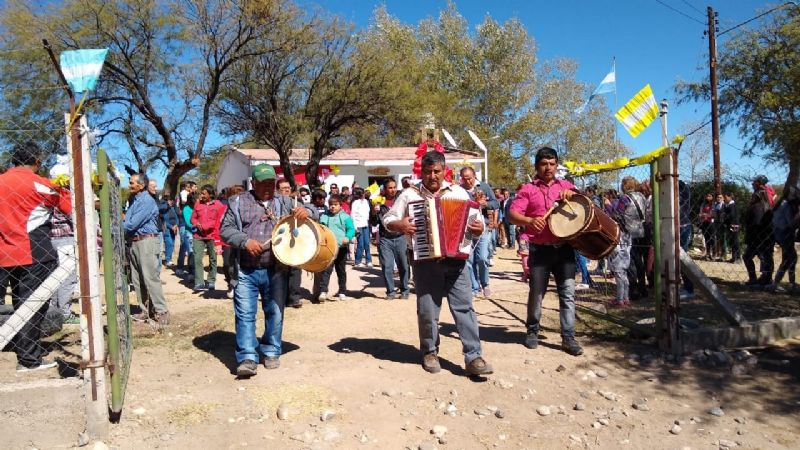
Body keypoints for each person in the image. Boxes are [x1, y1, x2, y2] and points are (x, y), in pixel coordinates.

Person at [383, 151, 493, 377]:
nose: (432, 176)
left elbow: (478, 222)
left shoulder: (459, 192)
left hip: (457, 261)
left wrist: (478, 228)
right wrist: (401, 225)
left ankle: (474, 356)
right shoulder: (408, 195)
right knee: (427, 311)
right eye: (427, 172)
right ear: (421, 172)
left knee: (464, 308)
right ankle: (430, 352)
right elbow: (387, 220)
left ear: (445, 171)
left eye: (437, 171)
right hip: (425, 261)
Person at [219, 164, 315, 377]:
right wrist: (245, 241)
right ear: (253, 183)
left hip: (276, 269)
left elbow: (315, 212)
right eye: (263, 184)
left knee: (275, 312)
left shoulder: (284, 201)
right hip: (245, 270)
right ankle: (247, 357)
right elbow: (225, 230)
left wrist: (305, 211)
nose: (268, 188)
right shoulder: (237, 202)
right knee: (245, 314)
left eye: (271, 183)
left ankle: (271, 350)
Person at [0, 142, 72, 372]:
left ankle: (22, 346)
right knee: (32, 304)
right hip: (34, 251)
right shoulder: (42, 185)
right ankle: (28, 359)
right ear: (38, 161)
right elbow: (69, 206)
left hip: (4, 252)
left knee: (14, 303)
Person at [508, 146, 583, 356]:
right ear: (536, 166)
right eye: (543, 164)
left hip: (565, 250)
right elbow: (512, 215)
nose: (548, 168)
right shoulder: (527, 189)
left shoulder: (567, 186)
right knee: (537, 294)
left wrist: (573, 195)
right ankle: (532, 331)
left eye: (552, 164)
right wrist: (529, 221)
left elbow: (583, 207)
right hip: (539, 251)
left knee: (567, 294)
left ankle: (568, 338)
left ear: (557, 165)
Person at [124, 173, 170, 324]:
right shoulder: (135, 200)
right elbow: (127, 221)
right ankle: (146, 310)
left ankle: (162, 312)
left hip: (147, 242)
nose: (129, 185)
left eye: (132, 183)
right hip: (135, 242)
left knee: (150, 278)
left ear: (141, 185)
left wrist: (117, 225)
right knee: (137, 279)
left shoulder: (146, 201)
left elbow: (131, 224)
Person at [459, 166, 499, 297]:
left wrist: (485, 204)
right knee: (468, 260)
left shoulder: (484, 187)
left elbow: (496, 204)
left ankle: (485, 283)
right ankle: (474, 287)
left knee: (482, 258)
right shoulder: (459, 190)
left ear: (474, 176)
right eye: (464, 179)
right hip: (466, 229)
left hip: (483, 227)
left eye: (469, 178)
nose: (468, 181)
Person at [373, 179, 410, 300]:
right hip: (385, 239)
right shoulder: (379, 203)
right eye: (390, 188)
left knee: (404, 265)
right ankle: (390, 291)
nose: (393, 190)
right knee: (387, 266)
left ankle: (405, 289)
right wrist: (374, 212)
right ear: (385, 189)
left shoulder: (401, 200)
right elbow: (373, 223)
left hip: (400, 237)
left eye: (394, 187)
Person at [318, 195, 355, 301]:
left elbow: (351, 229)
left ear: (340, 205)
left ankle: (342, 292)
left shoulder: (346, 217)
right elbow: (321, 228)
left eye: (335, 205)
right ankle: (323, 291)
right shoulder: (324, 216)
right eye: (330, 205)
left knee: (341, 270)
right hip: (329, 248)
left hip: (342, 248)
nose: (332, 207)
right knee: (326, 270)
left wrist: (348, 237)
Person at [190, 185, 226, 292]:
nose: (202, 195)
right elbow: (193, 218)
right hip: (198, 236)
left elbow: (220, 220)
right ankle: (199, 282)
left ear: (210, 194)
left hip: (212, 236)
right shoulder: (198, 204)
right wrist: (197, 224)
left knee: (213, 259)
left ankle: (211, 281)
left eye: (204, 193)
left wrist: (208, 225)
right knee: (197, 258)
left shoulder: (219, 205)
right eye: (201, 193)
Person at [743, 175, 775, 288]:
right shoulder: (766, 198)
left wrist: (751, 237)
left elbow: (755, 223)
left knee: (749, 256)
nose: (752, 184)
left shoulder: (758, 205)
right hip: (766, 235)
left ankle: (756, 279)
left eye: (754, 182)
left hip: (758, 236)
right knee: (766, 257)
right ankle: (766, 278)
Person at [767, 185, 799, 292]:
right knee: (790, 259)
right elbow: (790, 222)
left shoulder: (782, 203)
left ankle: (789, 283)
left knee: (789, 258)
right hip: (785, 233)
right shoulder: (787, 205)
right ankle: (782, 284)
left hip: (781, 233)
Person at [351, 187, 373, 268]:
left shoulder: (366, 202)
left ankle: (369, 260)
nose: (364, 194)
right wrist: (355, 227)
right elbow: (353, 216)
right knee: (360, 244)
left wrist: (368, 222)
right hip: (359, 226)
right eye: (362, 193)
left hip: (365, 225)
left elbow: (368, 212)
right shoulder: (355, 203)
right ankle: (358, 261)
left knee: (367, 243)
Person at [161, 196, 180, 267]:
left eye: (171, 200)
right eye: (169, 200)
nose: (171, 202)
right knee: (169, 244)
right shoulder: (164, 210)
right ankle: (168, 260)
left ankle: (170, 259)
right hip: (167, 229)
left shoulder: (172, 208)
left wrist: (176, 225)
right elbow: (165, 221)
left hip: (174, 229)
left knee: (172, 244)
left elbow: (176, 218)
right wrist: (171, 227)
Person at [723, 192, 741, 263]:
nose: (725, 199)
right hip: (731, 225)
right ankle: (734, 257)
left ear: (730, 197)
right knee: (733, 241)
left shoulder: (732, 205)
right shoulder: (729, 205)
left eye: (726, 197)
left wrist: (725, 217)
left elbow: (732, 215)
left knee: (735, 241)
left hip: (734, 225)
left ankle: (738, 257)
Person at [699, 193, 716, 260]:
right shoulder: (703, 204)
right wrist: (704, 215)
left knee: (712, 239)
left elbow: (713, 214)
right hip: (704, 223)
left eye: (710, 196)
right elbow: (700, 213)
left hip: (711, 223)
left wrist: (705, 214)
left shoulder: (714, 204)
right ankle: (708, 254)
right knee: (706, 238)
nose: (708, 197)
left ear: (712, 197)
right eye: (707, 196)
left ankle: (714, 254)